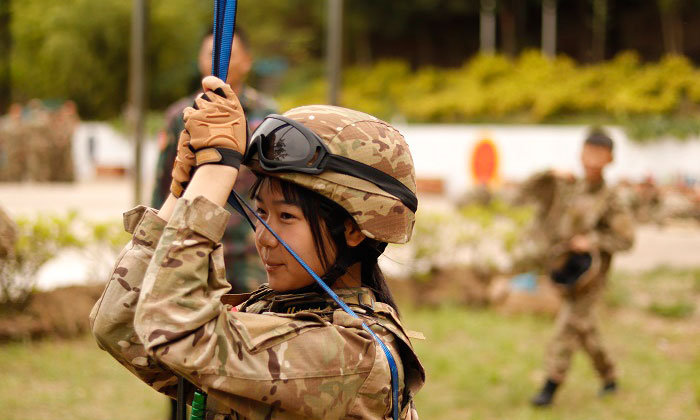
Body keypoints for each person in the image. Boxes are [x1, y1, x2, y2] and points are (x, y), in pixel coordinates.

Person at [91, 76, 425, 419]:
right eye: (262, 212)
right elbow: (119, 325)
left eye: (286, 216)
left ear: (353, 229)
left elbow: (176, 329)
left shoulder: (353, 354)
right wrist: (185, 191)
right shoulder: (273, 311)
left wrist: (217, 174)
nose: (264, 236)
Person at [151, 28, 277, 293]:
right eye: (211, 54)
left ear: (247, 61)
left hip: (250, 248)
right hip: (194, 242)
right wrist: (153, 239)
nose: (220, 61)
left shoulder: (269, 115)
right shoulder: (182, 116)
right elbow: (165, 182)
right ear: (200, 59)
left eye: (229, 54)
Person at [524, 128, 635, 407]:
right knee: (585, 328)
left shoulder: (611, 198)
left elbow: (626, 239)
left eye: (600, 153)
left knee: (568, 326)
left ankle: (550, 385)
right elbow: (527, 192)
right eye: (589, 152)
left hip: (592, 276)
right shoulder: (569, 187)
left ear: (610, 159)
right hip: (565, 271)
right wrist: (550, 173)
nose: (593, 159)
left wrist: (593, 241)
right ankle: (609, 377)